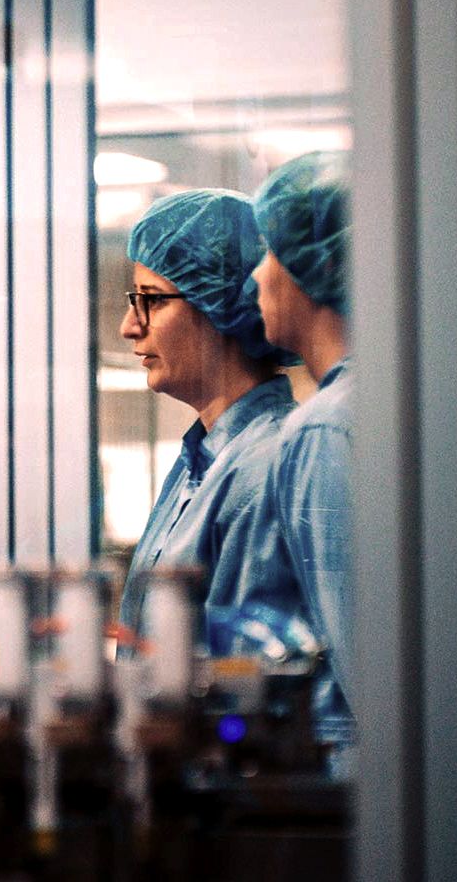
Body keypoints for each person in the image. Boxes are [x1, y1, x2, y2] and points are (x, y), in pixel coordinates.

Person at [115, 190, 304, 641]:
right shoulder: (202, 460)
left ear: (224, 307)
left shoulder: (265, 468)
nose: (129, 325)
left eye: (152, 299)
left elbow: (244, 673)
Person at [249, 150, 356, 754]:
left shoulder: (325, 431)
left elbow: (364, 658)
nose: (256, 277)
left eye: (269, 254)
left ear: (308, 267)